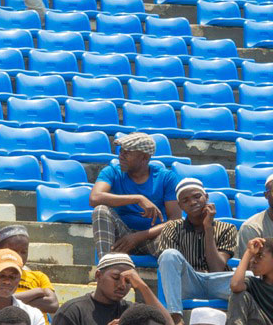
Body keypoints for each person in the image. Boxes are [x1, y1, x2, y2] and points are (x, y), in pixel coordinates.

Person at [89, 132, 178, 263]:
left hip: (153, 237)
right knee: (100, 211)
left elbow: (175, 220)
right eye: (121, 151)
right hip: (121, 236)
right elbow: (94, 198)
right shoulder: (112, 172)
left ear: (144, 158)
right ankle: (107, 269)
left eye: (127, 152)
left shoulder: (166, 178)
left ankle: (175, 280)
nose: (121, 156)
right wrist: (138, 198)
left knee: (175, 241)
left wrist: (138, 237)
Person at [153, 180, 239, 315]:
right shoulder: (172, 228)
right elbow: (169, 264)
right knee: (169, 255)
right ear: (180, 206)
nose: (193, 202)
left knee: (250, 278)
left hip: (218, 283)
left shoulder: (227, 228)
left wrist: (208, 227)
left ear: (207, 197)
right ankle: (175, 315)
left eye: (197, 197)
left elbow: (216, 268)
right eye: (185, 200)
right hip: (188, 284)